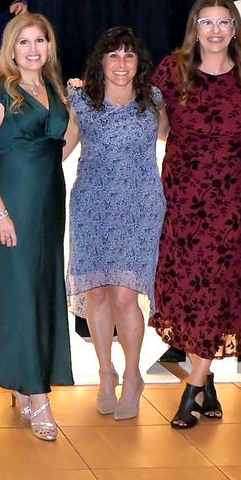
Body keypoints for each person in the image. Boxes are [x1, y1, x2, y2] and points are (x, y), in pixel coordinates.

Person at [150, 0, 241, 429]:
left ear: (235, 29)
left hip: (235, 201)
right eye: (207, 22)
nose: (215, 30)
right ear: (194, 29)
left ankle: (193, 388)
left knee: (217, 287)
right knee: (190, 291)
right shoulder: (172, 70)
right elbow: (157, 125)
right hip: (184, 200)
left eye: (223, 22)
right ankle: (207, 380)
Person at [0, 14, 78, 440]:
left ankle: (24, 381)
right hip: (13, 207)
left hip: (49, 205)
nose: (33, 49)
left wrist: (73, 106)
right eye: (24, 42)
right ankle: (38, 395)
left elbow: (64, 145)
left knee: (43, 292)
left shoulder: (56, 91)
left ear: (50, 46)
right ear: (11, 50)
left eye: (40, 41)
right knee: (19, 294)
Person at [66, 28, 167, 421]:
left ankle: (132, 375)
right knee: (97, 293)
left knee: (125, 295)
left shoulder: (153, 99)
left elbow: (174, 138)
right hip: (92, 205)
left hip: (140, 206)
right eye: (113, 55)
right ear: (101, 61)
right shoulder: (81, 100)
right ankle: (105, 374)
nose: (121, 63)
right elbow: (62, 148)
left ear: (139, 62)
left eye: (129, 55)